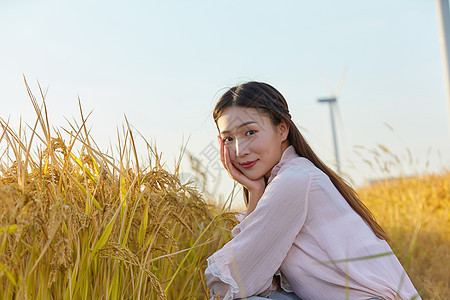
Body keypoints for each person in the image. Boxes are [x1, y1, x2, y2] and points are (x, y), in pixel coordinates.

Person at [204, 82, 421, 300]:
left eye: (250, 132)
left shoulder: (294, 180)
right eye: (228, 139)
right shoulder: (297, 174)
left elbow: (229, 284)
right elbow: (257, 279)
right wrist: (256, 193)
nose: (240, 150)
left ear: (282, 129)